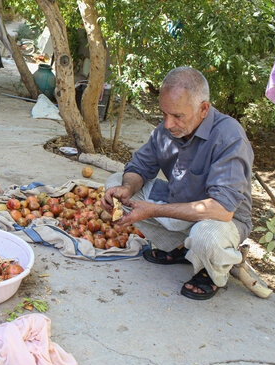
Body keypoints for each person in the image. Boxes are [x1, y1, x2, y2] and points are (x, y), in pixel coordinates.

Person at [102, 67, 254, 300]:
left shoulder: (228, 136)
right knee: (115, 182)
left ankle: (211, 273)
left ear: (203, 109)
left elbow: (222, 209)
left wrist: (153, 210)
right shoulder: (166, 130)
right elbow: (140, 167)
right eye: (164, 114)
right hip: (180, 204)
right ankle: (182, 248)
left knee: (207, 237)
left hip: (221, 220)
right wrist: (127, 188)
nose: (168, 123)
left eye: (177, 116)